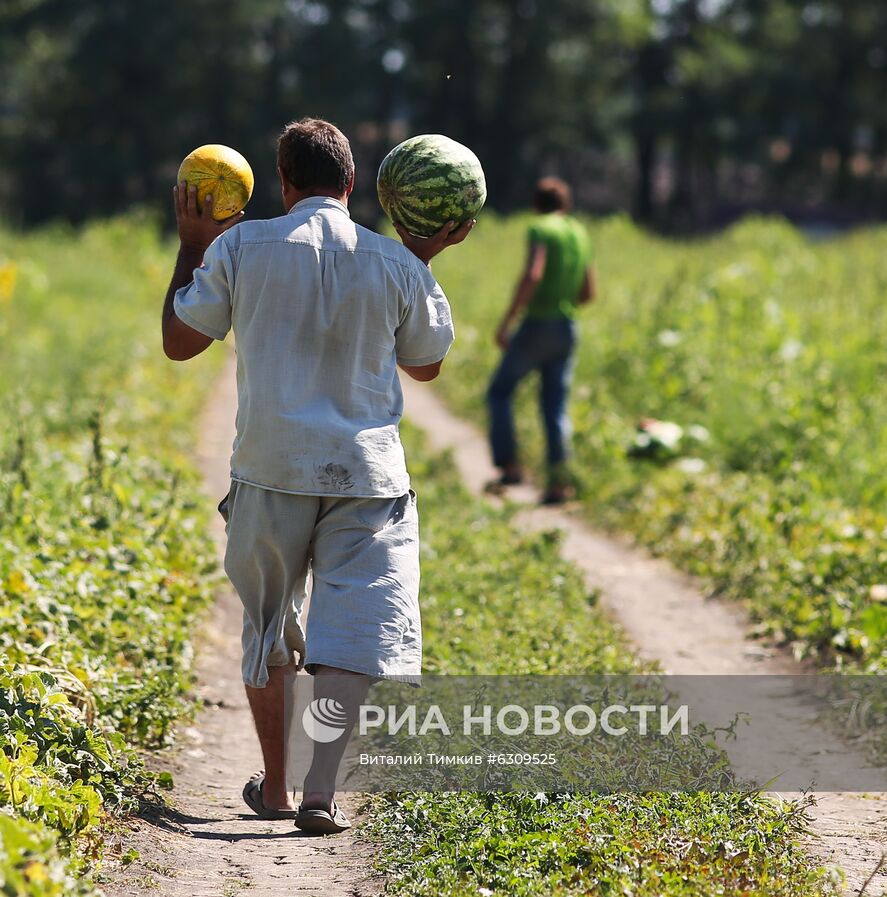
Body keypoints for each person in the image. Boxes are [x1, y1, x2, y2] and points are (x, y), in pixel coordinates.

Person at [159, 118, 473, 835]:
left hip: (271, 468)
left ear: (284, 183)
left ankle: (274, 786)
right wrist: (421, 255)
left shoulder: (241, 245)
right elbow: (424, 363)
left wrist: (191, 245)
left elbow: (181, 344)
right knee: (353, 633)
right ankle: (320, 792)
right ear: (353, 184)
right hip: (366, 477)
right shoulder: (392, 261)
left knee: (270, 627)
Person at [485, 176, 596, 504]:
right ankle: (560, 483)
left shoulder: (540, 228)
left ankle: (510, 465)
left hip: (537, 324)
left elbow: (534, 273)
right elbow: (589, 292)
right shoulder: (579, 231)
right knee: (555, 406)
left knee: (500, 391)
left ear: (536, 204)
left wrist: (508, 321)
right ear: (566, 204)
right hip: (567, 326)